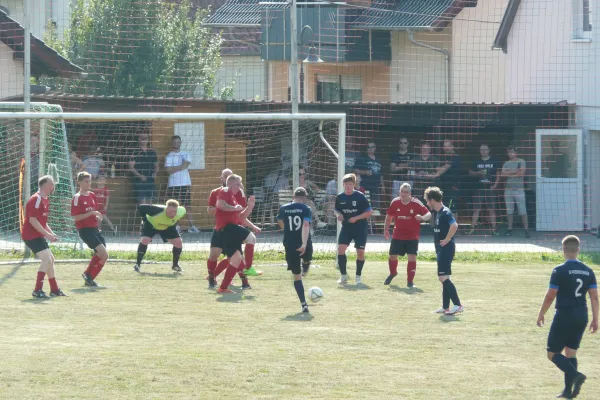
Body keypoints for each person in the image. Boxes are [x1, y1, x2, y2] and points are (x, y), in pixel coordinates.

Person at [536, 235, 598, 399]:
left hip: (564, 315)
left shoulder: (560, 270)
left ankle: (576, 375)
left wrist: (541, 313)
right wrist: (595, 319)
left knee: (552, 354)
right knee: (571, 353)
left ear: (563, 250)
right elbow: (594, 297)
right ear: (578, 250)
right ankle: (568, 392)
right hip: (581, 315)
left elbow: (551, 295)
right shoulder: (588, 271)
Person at [207, 169, 262, 290]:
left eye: (239, 183)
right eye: (226, 176)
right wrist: (230, 208)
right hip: (222, 229)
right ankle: (213, 277)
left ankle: (239, 283)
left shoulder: (237, 195)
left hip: (232, 229)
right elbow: (216, 207)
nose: (239, 185)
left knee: (235, 258)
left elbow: (240, 217)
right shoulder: (222, 191)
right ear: (223, 179)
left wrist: (250, 207)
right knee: (214, 256)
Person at [22, 175, 66, 298]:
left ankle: (54, 289)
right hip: (30, 235)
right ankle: (37, 290)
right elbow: (32, 220)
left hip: (37, 235)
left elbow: (42, 221)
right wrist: (47, 235)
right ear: (45, 185)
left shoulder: (45, 199)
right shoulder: (36, 199)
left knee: (50, 260)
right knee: (46, 259)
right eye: (52, 184)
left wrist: (51, 233)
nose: (53, 186)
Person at [424, 186, 463, 316]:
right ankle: (446, 307)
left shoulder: (445, 212)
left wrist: (447, 239)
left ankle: (457, 305)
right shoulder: (437, 213)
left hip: (446, 248)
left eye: (427, 200)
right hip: (441, 249)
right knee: (444, 277)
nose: (427, 203)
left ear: (432, 200)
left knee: (442, 277)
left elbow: (454, 225)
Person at [384, 183, 431, 288]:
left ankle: (410, 282)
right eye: (402, 191)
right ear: (399, 192)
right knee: (392, 256)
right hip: (398, 235)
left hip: (412, 236)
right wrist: (386, 229)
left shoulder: (416, 203)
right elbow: (389, 216)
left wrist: (422, 218)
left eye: (406, 192)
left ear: (410, 193)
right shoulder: (395, 202)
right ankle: (393, 273)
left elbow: (428, 214)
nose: (404, 194)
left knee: (412, 258)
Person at [277, 187, 313, 313]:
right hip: (304, 241)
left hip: (290, 243)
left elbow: (280, 221)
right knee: (308, 257)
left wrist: (286, 228)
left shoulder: (283, 208)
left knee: (296, 276)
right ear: (305, 198)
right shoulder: (306, 208)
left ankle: (304, 304)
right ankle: (306, 264)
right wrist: (303, 244)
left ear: (293, 197)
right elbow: (306, 225)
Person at [71, 172, 109, 287]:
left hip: (95, 229)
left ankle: (88, 275)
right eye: (86, 182)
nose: (89, 184)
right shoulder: (77, 198)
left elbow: (94, 212)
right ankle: (89, 277)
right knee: (104, 254)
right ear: (79, 182)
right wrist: (91, 213)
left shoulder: (92, 195)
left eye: (90, 181)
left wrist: (97, 217)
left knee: (102, 255)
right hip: (85, 230)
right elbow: (76, 218)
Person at [334, 173, 373, 285]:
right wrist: (338, 215)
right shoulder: (340, 197)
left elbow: (369, 212)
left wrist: (356, 218)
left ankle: (358, 276)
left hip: (360, 228)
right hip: (346, 227)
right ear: (343, 185)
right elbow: (336, 210)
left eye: (350, 184)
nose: (348, 186)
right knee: (340, 250)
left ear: (354, 185)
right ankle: (343, 275)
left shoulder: (360, 196)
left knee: (360, 252)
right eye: (346, 184)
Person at [134, 199, 186, 273]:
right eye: (171, 211)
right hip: (151, 224)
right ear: (166, 209)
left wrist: (174, 223)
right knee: (145, 240)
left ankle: (175, 265)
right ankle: (137, 264)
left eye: (175, 211)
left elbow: (182, 212)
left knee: (178, 243)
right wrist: (144, 219)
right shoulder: (157, 210)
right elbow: (141, 207)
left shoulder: (181, 211)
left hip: (167, 226)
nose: (173, 213)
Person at [165, 135, 200, 233]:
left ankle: (192, 226)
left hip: (185, 183)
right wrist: (181, 166)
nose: (176, 144)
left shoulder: (185, 154)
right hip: (173, 184)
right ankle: (176, 226)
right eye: (174, 142)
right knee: (174, 206)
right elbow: (168, 171)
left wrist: (175, 168)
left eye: (178, 142)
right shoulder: (169, 156)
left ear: (180, 143)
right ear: (172, 143)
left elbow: (186, 165)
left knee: (187, 205)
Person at [468, 144, 500, 235]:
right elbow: (470, 172)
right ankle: (472, 228)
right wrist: (478, 173)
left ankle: (494, 229)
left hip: (490, 188)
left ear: (489, 150)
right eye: (482, 150)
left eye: (485, 150)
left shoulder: (494, 161)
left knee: (491, 209)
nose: (484, 152)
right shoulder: (476, 161)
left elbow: (498, 174)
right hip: (479, 188)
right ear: (479, 151)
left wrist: (495, 186)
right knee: (476, 209)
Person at [501, 146, 529, 237]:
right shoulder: (506, 163)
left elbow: (521, 173)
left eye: (512, 152)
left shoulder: (521, 161)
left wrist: (510, 173)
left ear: (516, 152)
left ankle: (526, 230)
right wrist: (515, 171)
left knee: (522, 210)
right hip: (508, 190)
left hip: (519, 189)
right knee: (509, 211)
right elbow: (502, 174)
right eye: (509, 152)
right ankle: (509, 229)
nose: (510, 154)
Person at [433, 140, 461, 215]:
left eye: (448, 146)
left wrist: (436, 174)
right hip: (444, 187)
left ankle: (454, 226)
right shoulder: (444, 157)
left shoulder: (455, 157)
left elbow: (444, 168)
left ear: (452, 146)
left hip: (453, 187)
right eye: (445, 146)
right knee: (443, 208)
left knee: (452, 209)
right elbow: (439, 168)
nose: (446, 148)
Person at [129, 133, 158, 205]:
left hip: (150, 180)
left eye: (145, 138)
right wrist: (140, 176)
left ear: (148, 140)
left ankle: (149, 216)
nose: (144, 140)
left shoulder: (152, 152)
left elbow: (157, 166)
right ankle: (144, 217)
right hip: (139, 181)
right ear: (139, 139)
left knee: (150, 203)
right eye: (142, 138)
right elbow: (131, 167)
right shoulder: (135, 152)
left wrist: (155, 173)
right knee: (142, 203)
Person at [354, 141, 383, 211]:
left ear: (375, 148)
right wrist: (365, 172)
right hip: (365, 186)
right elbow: (355, 170)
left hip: (376, 187)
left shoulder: (379, 159)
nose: (370, 149)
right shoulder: (362, 158)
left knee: (376, 209)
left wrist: (383, 185)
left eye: (372, 147)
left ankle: (373, 222)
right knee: (364, 207)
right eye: (368, 147)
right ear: (366, 149)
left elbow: (381, 173)